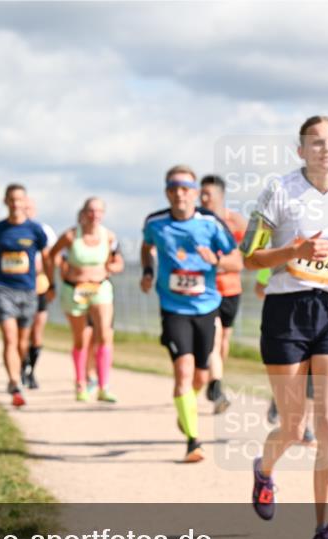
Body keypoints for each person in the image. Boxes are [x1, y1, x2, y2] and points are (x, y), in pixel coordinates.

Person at [242, 115, 328, 539]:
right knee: (294, 426)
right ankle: (264, 469)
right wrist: (295, 251)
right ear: (300, 150)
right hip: (286, 311)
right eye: (315, 142)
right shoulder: (279, 190)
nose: (324, 149)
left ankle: (323, 530)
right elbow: (249, 256)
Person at [141, 165, 241, 462]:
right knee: (183, 371)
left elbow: (237, 260)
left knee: (200, 376)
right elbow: (147, 248)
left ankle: (188, 409)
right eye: (174, 188)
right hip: (173, 308)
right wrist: (148, 270)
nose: (179, 194)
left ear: (195, 193)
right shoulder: (155, 222)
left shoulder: (210, 222)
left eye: (185, 188)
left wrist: (218, 262)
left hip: (206, 307)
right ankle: (193, 441)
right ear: (167, 192)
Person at [0, 183, 51, 407]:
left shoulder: (35, 230)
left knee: (22, 342)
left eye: (20, 199)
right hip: (3, 289)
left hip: (28, 290)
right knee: (9, 337)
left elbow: (46, 257)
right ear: (5, 201)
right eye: (12, 199)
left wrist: (51, 282)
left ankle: (21, 370)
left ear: (25, 201)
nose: (16, 204)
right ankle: (14, 382)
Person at [50, 197, 124, 402]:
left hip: (100, 288)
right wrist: (61, 273)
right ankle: (81, 383)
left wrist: (112, 268)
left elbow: (118, 261)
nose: (95, 215)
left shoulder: (109, 237)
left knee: (105, 334)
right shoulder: (70, 236)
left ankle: (104, 386)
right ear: (83, 213)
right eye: (91, 211)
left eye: (99, 211)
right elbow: (52, 255)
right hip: (75, 290)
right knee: (81, 339)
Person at [199, 174, 247, 414]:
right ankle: (216, 389)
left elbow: (245, 255)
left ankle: (215, 377)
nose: (203, 198)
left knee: (223, 341)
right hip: (206, 291)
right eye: (202, 193)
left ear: (221, 196)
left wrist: (222, 262)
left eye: (208, 194)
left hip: (231, 289)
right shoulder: (196, 220)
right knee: (214, 339)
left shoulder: (235, 222)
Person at [23, 196, 58, 390]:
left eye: (29, 208)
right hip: (19, 288)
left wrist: (52, 281)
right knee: (21, 333)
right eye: (23, 207)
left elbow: (51, 257)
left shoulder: (44, 231)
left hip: (40, 287)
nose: (26, 211)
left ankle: (31, 370)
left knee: (37, 332)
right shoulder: (9, 231)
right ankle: (20, 366)